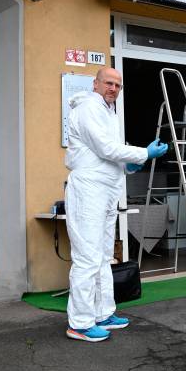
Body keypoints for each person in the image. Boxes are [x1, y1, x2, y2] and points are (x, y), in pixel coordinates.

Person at [64, 67, 168, 342]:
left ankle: (103, 313)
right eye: (108, 83)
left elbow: (110, 155)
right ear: (95, 84)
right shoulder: (88, 108)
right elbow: (105, 148)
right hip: (89, 189)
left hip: (106, 188)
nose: (113, 88)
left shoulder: (108, 112)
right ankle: (80, 323)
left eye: (118, 85)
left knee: (102, 255)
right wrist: (144, 153)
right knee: (87, 256)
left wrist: (131, 165)